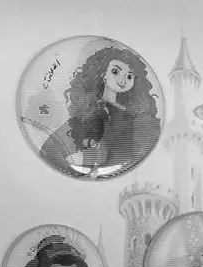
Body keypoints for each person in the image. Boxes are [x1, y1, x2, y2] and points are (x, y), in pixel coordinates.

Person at [39, 46, 161, 177]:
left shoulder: (130, 113)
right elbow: (52, 148)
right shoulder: (92, 110)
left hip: (125, 170)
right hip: (100, 170)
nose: (122, 80)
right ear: (102, 72)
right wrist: (81, 165)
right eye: (115, 71)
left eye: (129, 76)